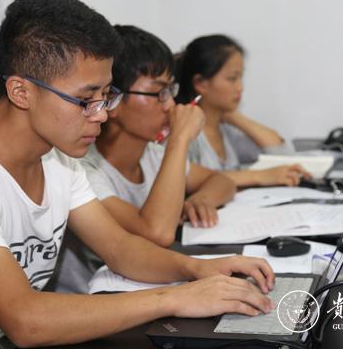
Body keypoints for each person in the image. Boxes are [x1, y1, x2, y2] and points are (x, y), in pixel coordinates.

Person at [0, 0, 275, 349]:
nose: (101, 115)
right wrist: (175, 297)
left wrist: (198, 269)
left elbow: (119, 248)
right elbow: (26, 321)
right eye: (85, 100)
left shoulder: (58, 158)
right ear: (21, 91)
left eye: (106, 96)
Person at [80, 25, 236, 250]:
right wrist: (179, 139)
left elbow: (222, 181)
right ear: (112, 100)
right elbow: (157, 233)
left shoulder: (151, 153)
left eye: (170, 90)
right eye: (159, 93)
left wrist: (200, 200)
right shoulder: (84, 171)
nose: (170, 104)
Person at [175, 34, 311, 188]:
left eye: (241, 77)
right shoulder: (186, 133)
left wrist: (235, 117)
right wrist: (260, 176)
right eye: (232, 78)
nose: (240, 87)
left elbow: (282, 154)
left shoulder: (226, 130)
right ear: (200, 83)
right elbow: (183, 178)